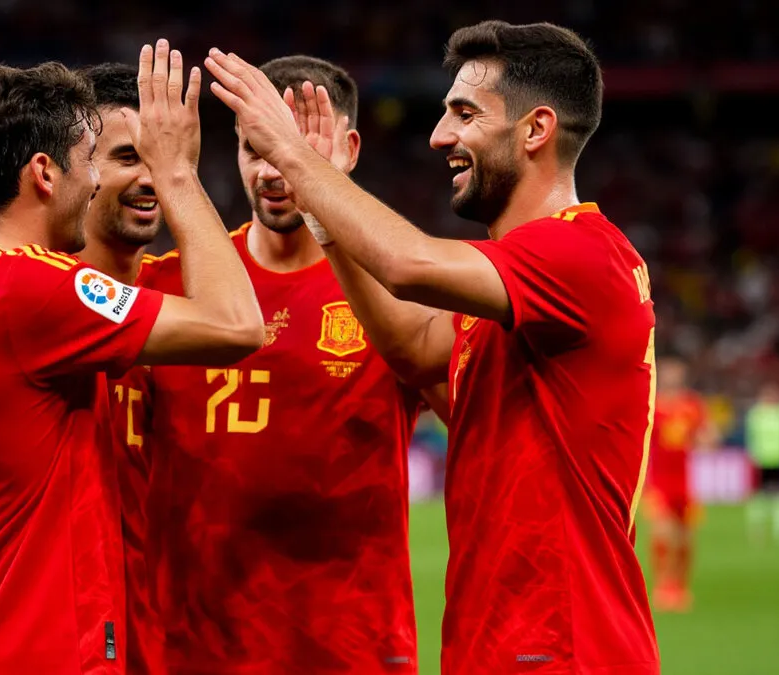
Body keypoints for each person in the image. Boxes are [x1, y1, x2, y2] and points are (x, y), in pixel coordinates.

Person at [205, 19, 660, 674]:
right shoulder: (518, 285)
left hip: (558, 643)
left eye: (464, 113)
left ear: (535, 130)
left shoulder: (578, 252)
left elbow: (405, 263)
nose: (438, 136)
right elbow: (415, 348)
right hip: (504, 637)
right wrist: (319, 213)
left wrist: (293, 157)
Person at [0, 43, 263, 675]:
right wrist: (176, 174)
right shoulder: (26, 288)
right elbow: (236, 324)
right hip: (39, 646)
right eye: (91, 161)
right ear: (44, 173)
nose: (93, 185)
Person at [138, 56, 422, 673]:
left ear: (347, 146)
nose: (270, 172)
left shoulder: (396, 297)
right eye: (252, 149)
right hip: (191, 643)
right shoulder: (169, 283)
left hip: (352, 644)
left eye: (287, 149)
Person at [76, 61, 168, 675]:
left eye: (164, 156)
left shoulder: (185, 297)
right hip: (70, 631)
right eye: (128, 156)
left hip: (173, 632)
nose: (153, 177)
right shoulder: (37, 299)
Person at [644, 356, 717, 612]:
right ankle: (663, 586)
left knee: (686, 537)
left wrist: (707, 438)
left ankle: (681, 586)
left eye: (677, 373)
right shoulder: (653, 404)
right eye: (669, 373)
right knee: (663, 533)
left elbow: (707, 434)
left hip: (685, 483)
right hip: (660, 483)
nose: (673, 377)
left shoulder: (692, 404)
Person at [744, 382, 779, 546]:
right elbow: (752, 437)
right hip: (760, 460)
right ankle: (757, 530)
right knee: (758, 497)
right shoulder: (756, 414)